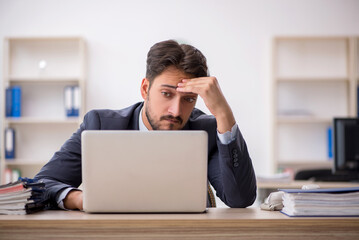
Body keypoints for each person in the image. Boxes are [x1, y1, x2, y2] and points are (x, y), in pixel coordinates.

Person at [35, 40, 257, 210]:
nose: (176, 111)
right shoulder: (100, 125)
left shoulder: (207, 130)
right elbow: (42, 184)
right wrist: (81, 199)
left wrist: (223, 113)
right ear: (145, 89)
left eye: (189, 99)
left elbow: (240, 199)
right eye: (166, 94)